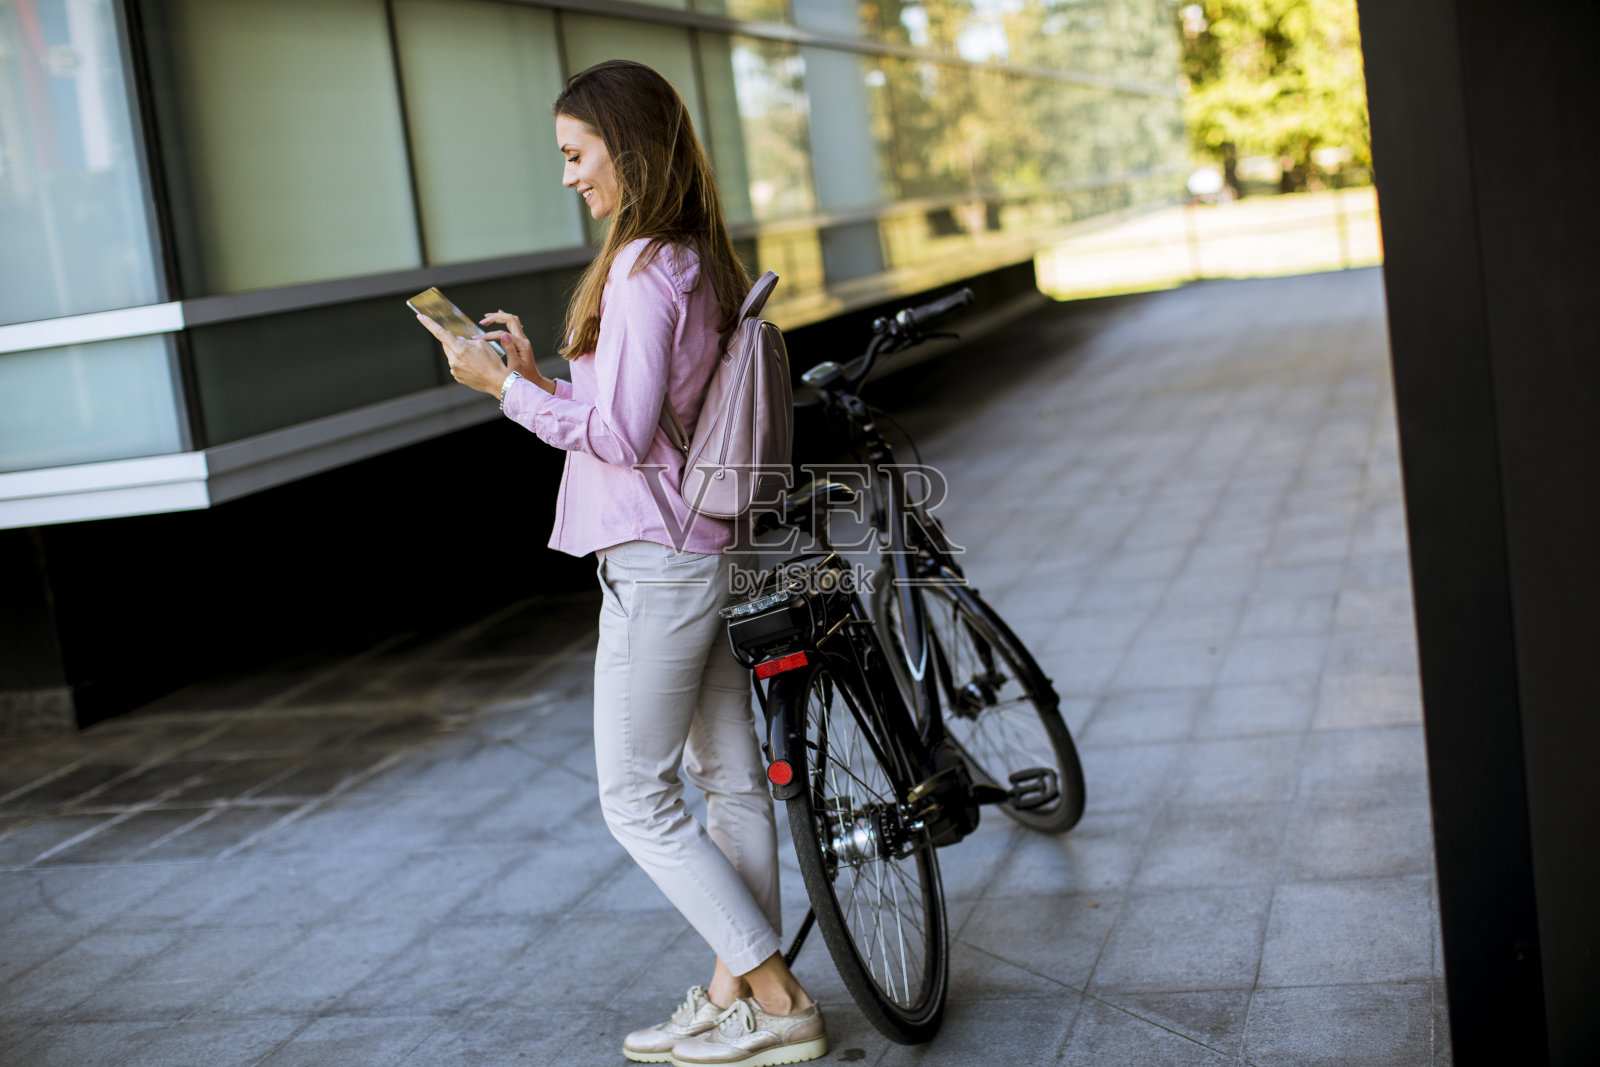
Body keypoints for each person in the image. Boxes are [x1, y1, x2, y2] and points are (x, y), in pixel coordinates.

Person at [415, 60, 826, 1067]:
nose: (567, 176)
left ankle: (772, 992)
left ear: (625, 149)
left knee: (632, 794)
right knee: (728, 779)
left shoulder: (644, 265)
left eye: (575, 154)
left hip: (658, 558)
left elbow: (622, 433)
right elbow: (648, 413)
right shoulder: (687, 257)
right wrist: (537, 373)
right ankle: (737, 991)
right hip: (697, 544)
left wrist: (500, 391)